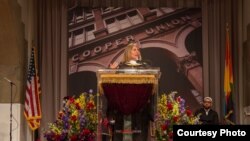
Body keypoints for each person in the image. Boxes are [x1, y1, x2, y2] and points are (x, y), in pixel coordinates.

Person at [107, 41, 153, 141]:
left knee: (140, 136)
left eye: (138, 50)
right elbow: (115, 87)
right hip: (124, 108)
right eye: (134, 49)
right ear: (128, 52)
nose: (137, 51)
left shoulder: (146, 65)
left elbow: (153, 78)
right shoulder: (121, 67)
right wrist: (112, 73)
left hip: (141, 108)